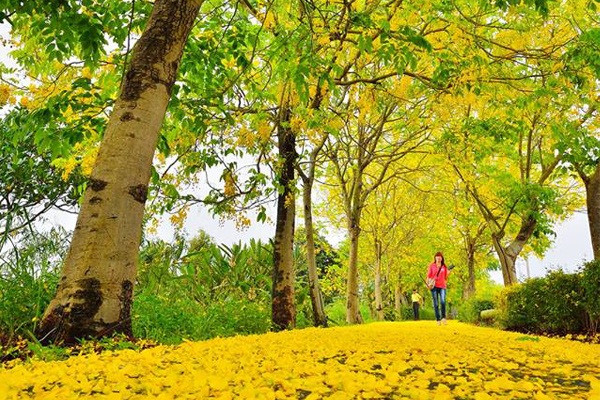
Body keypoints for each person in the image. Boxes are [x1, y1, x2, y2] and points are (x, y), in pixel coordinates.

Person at [426, 251, 451, 325]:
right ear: (435, 258)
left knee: (443, 301)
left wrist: (448, 273)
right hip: (433, 286)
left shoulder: (444, 266)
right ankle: (438, 319)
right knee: (436, 303)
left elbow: (445, 278)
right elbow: (428, 276)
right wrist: (427, 284)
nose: (439, 258)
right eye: (437, 257)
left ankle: (443, 318)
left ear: (442, 258)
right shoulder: (432, 266)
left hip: (442, 286)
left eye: (440, 257)